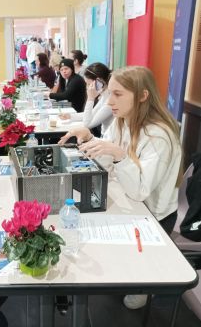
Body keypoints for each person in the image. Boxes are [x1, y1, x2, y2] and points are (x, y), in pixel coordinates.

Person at [59, 66, 182, 309]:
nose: (109, 101)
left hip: (154, 217)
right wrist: (91, 140)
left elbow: (139, 191)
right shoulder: (122, 121)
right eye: (109, 93)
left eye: (118, 94)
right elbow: (107, 160)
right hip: (129, 203)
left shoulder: (159, 136)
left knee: (131, 286)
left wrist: (119, 156)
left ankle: (143, 284)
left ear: (143, 96)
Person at [59, 62, 113, 137]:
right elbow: (93, 113)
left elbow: (87, 124)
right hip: (105, 137)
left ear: (98, 82)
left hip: (107, 139)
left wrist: (90, 99)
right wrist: (71, 116)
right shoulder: (105, 95)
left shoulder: (110, 99)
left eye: (88, 84)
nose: (87, 87)